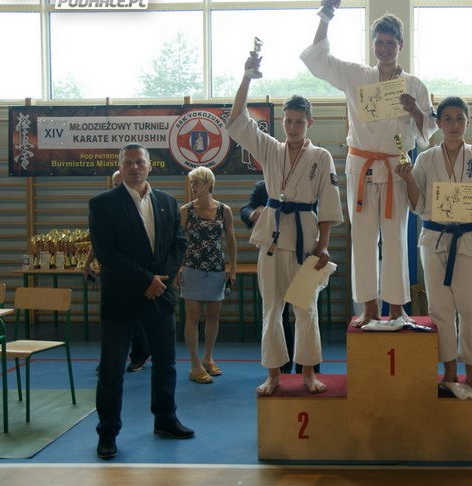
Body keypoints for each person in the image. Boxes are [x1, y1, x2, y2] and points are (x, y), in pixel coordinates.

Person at [301, 0, 437, 327]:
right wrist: (325, 18)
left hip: (396, 168)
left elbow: (428, 132)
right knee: (363, 239)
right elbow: (319, 61)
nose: (385, 48)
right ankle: (369, 308)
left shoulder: (414, 85)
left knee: (396, 238)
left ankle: (397, 308)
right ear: (373, 44)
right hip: (361, 167)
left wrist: (414, 109)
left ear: (401, 45)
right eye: (380, 42)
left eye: (391, 43)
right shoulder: (356, 76)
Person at [227, 52, 343, 396]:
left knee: (306, 309)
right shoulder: (270, 149)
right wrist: (246, 77)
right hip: (272, 241)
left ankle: (308, 374)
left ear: (310, 122)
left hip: (306, 239)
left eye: (299, 122)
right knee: (272, 309)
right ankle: (274, 375)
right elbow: (236, 120)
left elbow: (329, 203)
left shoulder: (321, 157)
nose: (293, 127)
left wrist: (323, 245)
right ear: (282, 122)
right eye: (288, 121)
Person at [395, 96, 472, 400]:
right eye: (448, 118)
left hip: (469, 238)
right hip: (434, 239)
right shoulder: (425, 159)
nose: (454, 124)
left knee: (471, 309)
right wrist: (408, 180)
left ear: (468, 121)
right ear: (438, 123)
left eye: (460, 118)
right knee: (440, 310)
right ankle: (448, 374)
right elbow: (418, 205)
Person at [89, 143, 193, 460]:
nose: (134, 167)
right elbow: (107, 253)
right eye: (128, 162)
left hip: (159, 297)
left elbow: (179, 245)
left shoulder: (167, 202)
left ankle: (166, 419)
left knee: (166, 364)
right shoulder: (102, 204)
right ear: (120, 168)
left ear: (149, 166)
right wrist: (145, 281)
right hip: (120, 300)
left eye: (140, 162)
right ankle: (108, 433)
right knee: (111, 371)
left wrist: (160, 281)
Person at [241, 180, 320, 375]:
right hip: (273, 253)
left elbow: (320, 214)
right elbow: (246, 209)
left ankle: (308, 370)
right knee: (276, 314)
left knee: (307, 312)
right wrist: (253, 213)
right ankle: (281, 369)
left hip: (304, 249)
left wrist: (322, 245)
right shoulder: (265, 186)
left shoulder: (308, 184)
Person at [84, 170, 150, 372]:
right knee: (111, 319)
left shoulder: (142, 207)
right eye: (114, 184)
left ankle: (140, 355)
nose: (118, 187)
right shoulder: (105, 206)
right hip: (112, 272)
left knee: (136, 317)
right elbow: (98, 241)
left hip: (137, 271)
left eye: (120, 182)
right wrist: (87, 262)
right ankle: (110, 359)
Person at [178, 167, 237, 383]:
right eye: (192, 183)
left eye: (197, 182)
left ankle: (208, 358)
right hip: (192, 267)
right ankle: (195, 364)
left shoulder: (224, 210)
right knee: (192, 316)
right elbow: (178, 242)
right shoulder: (186, 210)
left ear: (208, 184)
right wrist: (177, 269)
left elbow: (231, 240)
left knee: (213, 315)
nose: (193, 187)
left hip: (215, 268)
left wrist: (233, 268)